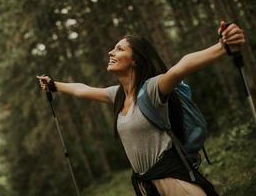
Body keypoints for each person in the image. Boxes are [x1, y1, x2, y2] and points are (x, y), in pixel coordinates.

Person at [37, 21, 245, 196]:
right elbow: (81, 90)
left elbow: (180, 68)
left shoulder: (152, 88)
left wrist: (223, 47)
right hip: (146, 186)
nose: (111, 51)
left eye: (119, 48)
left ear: (135, 60)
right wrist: (54, 85)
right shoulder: (117, 95)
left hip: (172, 181)